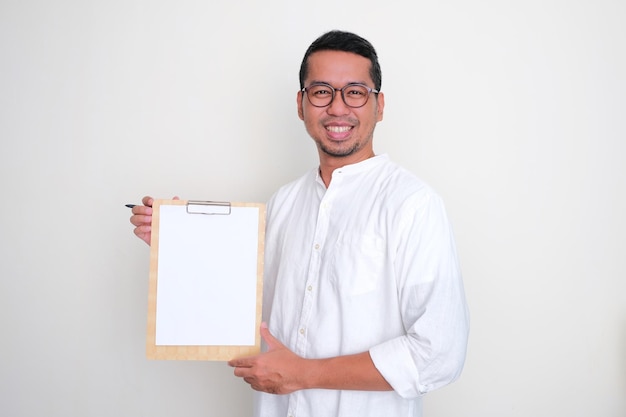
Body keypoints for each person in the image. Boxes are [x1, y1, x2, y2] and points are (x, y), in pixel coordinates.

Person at [130, 30, 469, 417]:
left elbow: (440, 352)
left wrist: (305, 374)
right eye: (322, 91)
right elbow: (243, 306)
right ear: (301, 103)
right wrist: (183, 243)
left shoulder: (413, 204)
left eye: (355, 92)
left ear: (380, 105)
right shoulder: (283, 202)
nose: (338, 108)